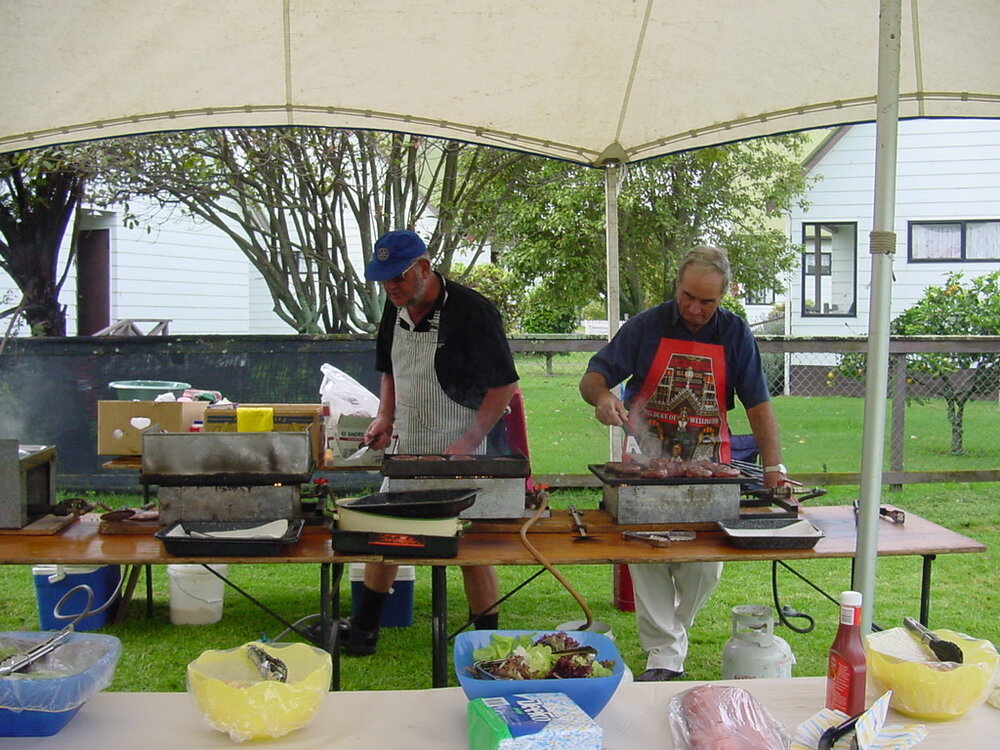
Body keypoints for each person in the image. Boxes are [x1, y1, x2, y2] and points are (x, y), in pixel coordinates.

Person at [579, 245, 788, 681]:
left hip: (710, 462)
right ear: (677, 285)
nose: (694, 308)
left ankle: (673, 630)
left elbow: (759, 405)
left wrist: (774, 468)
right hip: (645, 459)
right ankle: (663, 657)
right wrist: (601, 397)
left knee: (705, 562)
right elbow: (594, 375)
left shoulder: (735, 334)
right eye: (688, 296)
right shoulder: (646, 326)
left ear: (724, 297)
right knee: (645, 552)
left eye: (706, 301)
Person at [342, 229, 519, 656]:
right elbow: (389, 368)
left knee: (472, 546)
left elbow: (505, 386)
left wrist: (468, 441)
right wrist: (385, 415)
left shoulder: (473, 312)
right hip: (410, 440)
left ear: (423, 267)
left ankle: (485, 642)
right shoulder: (395, 307)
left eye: (398, 277)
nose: (391, 287)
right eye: (384, 280)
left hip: (466, 443)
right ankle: (364, 631)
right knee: (387, 532)